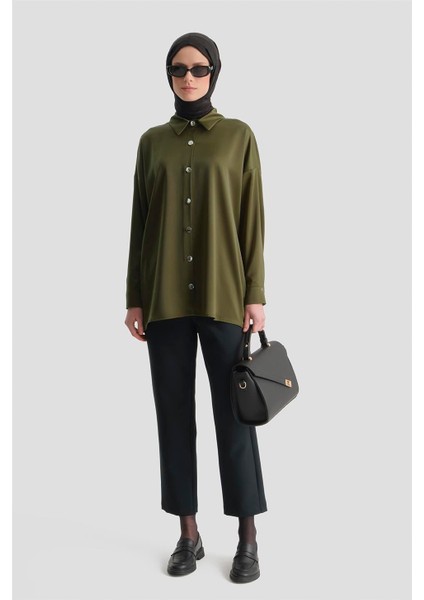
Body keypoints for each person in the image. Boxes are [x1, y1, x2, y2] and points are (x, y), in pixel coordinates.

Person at [124, 32, 268, 583]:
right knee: (173, 417)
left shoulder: (238, 136)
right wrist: (135, 297)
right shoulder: (151, 143)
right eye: (179, 68)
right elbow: (140, 223)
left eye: (199, 68)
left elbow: (252, 221)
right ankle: (188, 534)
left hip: (223, 295)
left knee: (235, 416)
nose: (188, 77)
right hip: (164, 300)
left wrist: (255, 293)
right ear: (169, 75)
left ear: (214, 73)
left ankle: (247, 538)